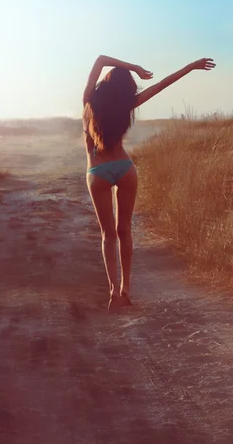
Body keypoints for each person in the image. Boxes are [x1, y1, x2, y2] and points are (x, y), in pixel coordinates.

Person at [82, 54, 216, 312]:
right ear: (126, 89)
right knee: (125, 231)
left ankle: (113, 291)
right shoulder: (128, 104)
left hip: (97, 171)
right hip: (124, 168)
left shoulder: (89, 99)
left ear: (106, 83)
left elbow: (99, 60)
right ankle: (126, 290)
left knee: (108, 235)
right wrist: (190, 65)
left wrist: (130, 66)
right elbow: (163, 84)